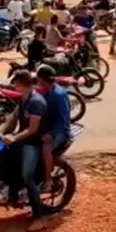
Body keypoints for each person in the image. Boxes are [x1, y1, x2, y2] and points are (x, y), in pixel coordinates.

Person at [2, 70, 49, 232]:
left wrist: (14, 138)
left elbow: (32, 130)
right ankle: (13, 196)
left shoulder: (36, 102)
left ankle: (39, 217)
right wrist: (0, 133)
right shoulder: (23, 99)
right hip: (21, 140)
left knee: (27, 176)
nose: (13, 85)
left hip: (33, 143)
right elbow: (13, 119)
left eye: (15, 82)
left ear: (22, 84)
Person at [36, 65, 71, 193]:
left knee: (46, 149)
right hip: (47, 127)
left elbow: (63, 120)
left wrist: (51, 134)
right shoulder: (47, 90)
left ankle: (47, 180)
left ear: (42, 79)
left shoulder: (58, 95)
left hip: (60, 131)